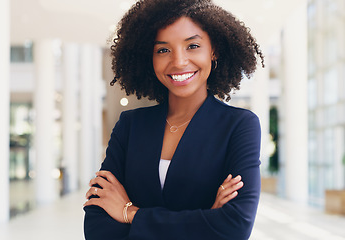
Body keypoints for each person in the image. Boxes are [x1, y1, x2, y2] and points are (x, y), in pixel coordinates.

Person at [83, 0, 264, 239]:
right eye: (163, 50)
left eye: (193, 46)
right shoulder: (130, 126)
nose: (178, 61)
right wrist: (206, 219)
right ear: (150, 57)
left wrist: (130, 213)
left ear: (214, 50)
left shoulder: (239, 126)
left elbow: (235, 226)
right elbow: (97, 228)